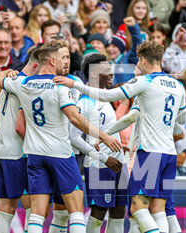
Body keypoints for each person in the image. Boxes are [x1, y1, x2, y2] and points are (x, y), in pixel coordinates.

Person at [53, 41, 186, 233]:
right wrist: (106, 139)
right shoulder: (177, 85)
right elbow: (176, 120)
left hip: (148, 153)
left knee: (137, 208)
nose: (112, 73)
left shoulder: (144, 83)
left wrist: (75, 84)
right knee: (158, 209)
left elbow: (111, 97)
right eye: (106, 69)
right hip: (163, 155)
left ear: (142, 60)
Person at [0, 40, 122, 233]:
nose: (67, 61)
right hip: (61, 154)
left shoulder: (23, 83)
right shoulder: (59, 86)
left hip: (34, 156)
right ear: (52, 61)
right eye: (64, 57)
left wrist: (9, 72)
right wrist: (104, 136)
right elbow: (75, 119)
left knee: (36, 214)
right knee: (76, 211)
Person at [69, 53, 127, 233]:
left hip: (119, 162)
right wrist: (103, 157)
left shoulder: (104, 98)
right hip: (99, 165)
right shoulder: (84, 102)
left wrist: (118, 146)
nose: (111, 74)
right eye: (106, 70)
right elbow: (73, 137)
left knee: (119, 210)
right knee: (99, 211)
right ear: (94, 74)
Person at [0, 48, 40, 233]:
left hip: (1, 151)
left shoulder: (8, 81)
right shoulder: (26, 85)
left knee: (5, 210)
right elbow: (20, 127)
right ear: (36, 65)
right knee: (33, 208)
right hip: (18, 154)